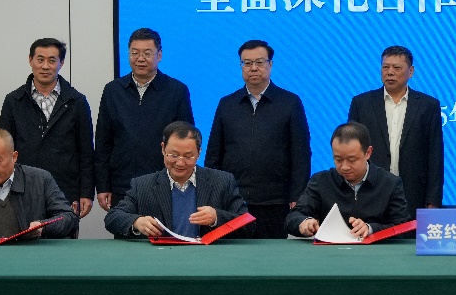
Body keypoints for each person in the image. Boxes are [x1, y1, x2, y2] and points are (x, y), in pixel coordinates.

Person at [204, 39, 311, 239]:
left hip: (276, 201)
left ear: (270, 64)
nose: (253, 68)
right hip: (233, 200)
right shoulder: (227, 104)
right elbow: (214, 154)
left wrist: (297, 196)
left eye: (260, 62)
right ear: (241, 66)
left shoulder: (290, 102)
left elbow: (301, 154)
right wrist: (213, 193)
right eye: (247, 63)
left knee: (272, 254)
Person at [0, 38, 95, 228]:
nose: (45, 66)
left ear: (61, 63)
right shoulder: (13, 101)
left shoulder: (76, 101)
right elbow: (4, 149)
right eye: (40, 59)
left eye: (52, 60)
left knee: (62, 241)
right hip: (21, 189)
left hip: (65, 190)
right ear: (30, 60)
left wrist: (86, 193)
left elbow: (86, 152)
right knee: (23, 239)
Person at [95, 27, 194, 211]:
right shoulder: (113, 90)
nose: (140, 59)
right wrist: (103, 185)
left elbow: (186, 141)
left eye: (147, 53)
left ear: (159, 55)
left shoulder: (176, 91)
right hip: (122, 185)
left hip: (164, 184)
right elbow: (103, 143)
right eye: (135, 53)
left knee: (162, 230)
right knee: (124, 228)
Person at [105, 122, 251, 240]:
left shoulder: (222, 181)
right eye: (174, 155)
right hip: (160, 259)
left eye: (188, 156)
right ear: (163, 149)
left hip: (207, 259)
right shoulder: (142, 185)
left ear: (199, 153)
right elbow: (112, 218)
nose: (180, 163)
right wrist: (137, 222)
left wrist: (217, 218)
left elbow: (248, 225)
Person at [348, 45, 444, 210]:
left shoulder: (428, 105)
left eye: (397, 68)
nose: (390, 72)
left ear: (411, 71)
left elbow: (435, 155)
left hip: (414, 193)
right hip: (369, 191)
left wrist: (433, 200)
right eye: (385, 67)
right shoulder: (361, 104)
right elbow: (351, 149)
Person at [287, 122, 410, 239]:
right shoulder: (321, 181)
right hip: (331, 251)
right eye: (338, 159)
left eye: (352, 160)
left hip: (376, 251)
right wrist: (303, 222)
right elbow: (293, 217)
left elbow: (404, 227)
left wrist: (371, 229)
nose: (344, 167)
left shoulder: (390, 183)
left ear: (368, 153)